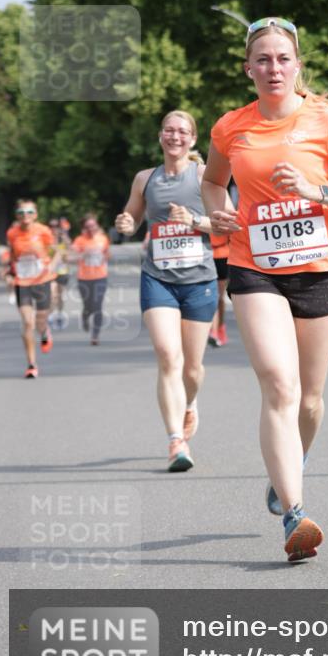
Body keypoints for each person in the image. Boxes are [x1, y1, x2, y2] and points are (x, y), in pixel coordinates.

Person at [202, 17, 328, 562]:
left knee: (309, 399)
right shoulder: (231, 127)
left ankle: (285, 475)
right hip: (255, 266)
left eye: (282, 58)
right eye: (263, 59)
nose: (273, 68)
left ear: (298, 64)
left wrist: (317, 190)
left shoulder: (327, 121)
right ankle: (296, 516)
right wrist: (218, 213)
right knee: (278, 386)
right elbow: (212, 182)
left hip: (320, 269)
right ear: (247, 69)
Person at [115, 111, 219, 472]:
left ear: (192, 140)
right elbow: (132, 217)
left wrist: (192, 220)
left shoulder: (205, 175)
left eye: (182, 132)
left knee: (192, 368)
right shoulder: (146, 178)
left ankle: (190, 404)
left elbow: (228, 224)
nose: (174, 136)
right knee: (166, 355)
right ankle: (176, 440)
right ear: (161, 137)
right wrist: (127, 223)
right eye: (168, 131)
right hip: (157, 276)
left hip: (199, 279)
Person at [4, 200, 56, 378]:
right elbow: (12, 255)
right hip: (22, 281)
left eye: (29, 212)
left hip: (42, 280)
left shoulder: (43, 231)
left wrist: (52, 266)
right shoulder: (12, 233)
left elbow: (56, 251)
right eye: (21, 212)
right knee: (27, 322)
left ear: (35, 214)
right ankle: (32, 364)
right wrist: (10, 272)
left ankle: (44, 332)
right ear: (16, 215)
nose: (25, 215)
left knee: (40, 320)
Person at [70, 214, 111, 345]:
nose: (91, 228)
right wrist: (83, 254)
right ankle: (85, 316)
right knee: (89, 306)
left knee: (98, 306)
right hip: (84, 278)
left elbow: (107, 254)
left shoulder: (103, 238)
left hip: (100, 277)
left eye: (93, 225)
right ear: (84, 228)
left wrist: (105, 257)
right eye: (88, 227)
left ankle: (95, 336)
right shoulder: (79, 240)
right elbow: (71, 257)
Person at [48, 218, 71, 329]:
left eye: (56, 226)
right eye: (51, 226)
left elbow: (69, 253)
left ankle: (60, 313)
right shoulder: (46, 239)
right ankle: (51, 315)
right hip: (50, 272)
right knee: (53, 295)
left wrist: (62, 249)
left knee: (60, 295)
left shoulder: (63, 239)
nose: (54, 229)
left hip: (62, 270)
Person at [208, 233, 230, 347]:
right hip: (206, 255)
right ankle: (214, 331)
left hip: (222, 255)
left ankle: (220, 328)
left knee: (219, 297)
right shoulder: (197, 215)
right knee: (213, 295)